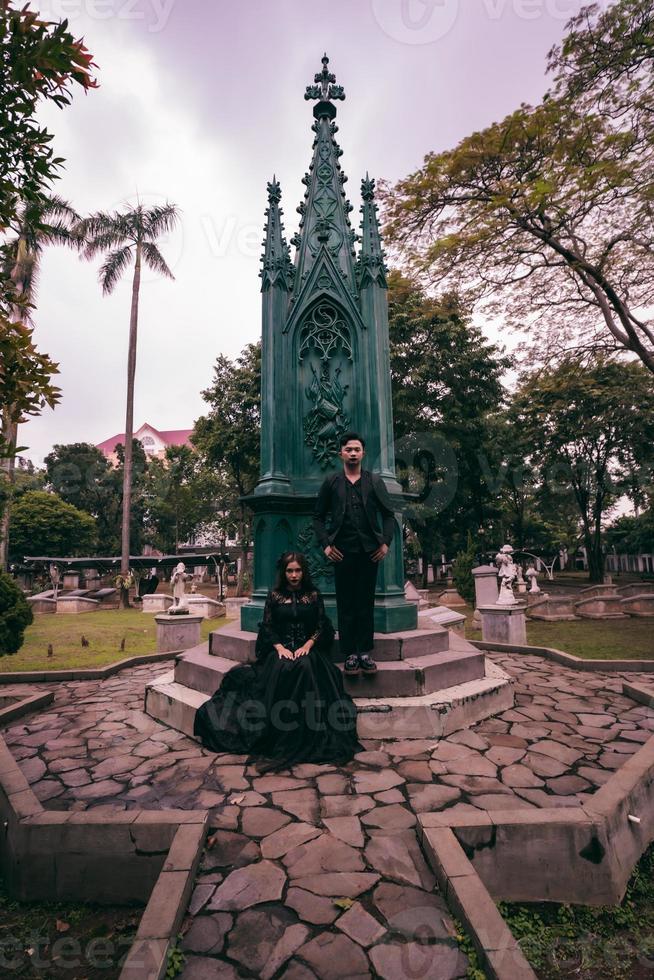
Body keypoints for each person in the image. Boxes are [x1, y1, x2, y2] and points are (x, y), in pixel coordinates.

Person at [193, 552, 361, 770]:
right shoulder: (274, 596)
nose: (294, 575)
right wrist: (280, 648)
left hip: (306, 649)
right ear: (284, 572)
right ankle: (281, 733)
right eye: (290, 570)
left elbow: (321, 626)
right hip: (280, 650)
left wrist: (307, 646)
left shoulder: (313, 594)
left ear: (303, 572)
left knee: (306, 668)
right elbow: (268, 627)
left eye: (297, 570)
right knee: (281, 669)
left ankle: (307, 733)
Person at [313, 431, 395, 676]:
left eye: (356, 450)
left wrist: (385, 543)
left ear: (363, 453)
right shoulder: (332, 482)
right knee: (346, 602)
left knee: (365, 601)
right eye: (348, 449)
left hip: (370, 551)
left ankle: (365, 653)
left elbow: (389, 515)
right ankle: (350, 653)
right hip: (342, 552)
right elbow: (317, 517)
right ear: (341, 453)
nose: (352, 453)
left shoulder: (374, 482)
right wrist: (326, 545)